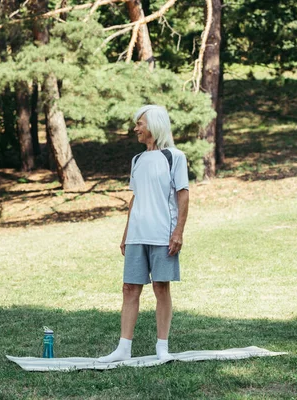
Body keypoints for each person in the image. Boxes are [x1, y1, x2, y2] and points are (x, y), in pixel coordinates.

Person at [98, 105, 189, 362]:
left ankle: (162, 347)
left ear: (155, 125)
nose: (136, 128)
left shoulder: (174, 156)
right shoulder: (137, 160)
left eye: (140, 123)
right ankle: (123, 348)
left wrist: (178, 231)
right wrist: (126, 234)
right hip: (138, 234)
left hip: (163, 234)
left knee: (161, 287)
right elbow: (135, 198)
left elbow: (183, 194)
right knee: (129, 289)